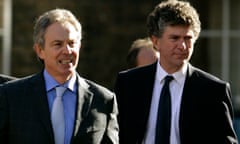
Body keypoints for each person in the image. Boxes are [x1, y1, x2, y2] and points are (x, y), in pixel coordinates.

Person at [114, 1, 238, 144]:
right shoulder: (129, 83)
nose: (183, 46)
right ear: (156, 42)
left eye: (188, 38)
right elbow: (116, 135)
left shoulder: (213, 91)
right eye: (175, 38)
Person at [0, 8, 119, 144]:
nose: (67, 51)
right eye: (58, 44)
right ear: (40, 51)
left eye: (71, 43)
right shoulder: (11, 96)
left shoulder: (103, 100)